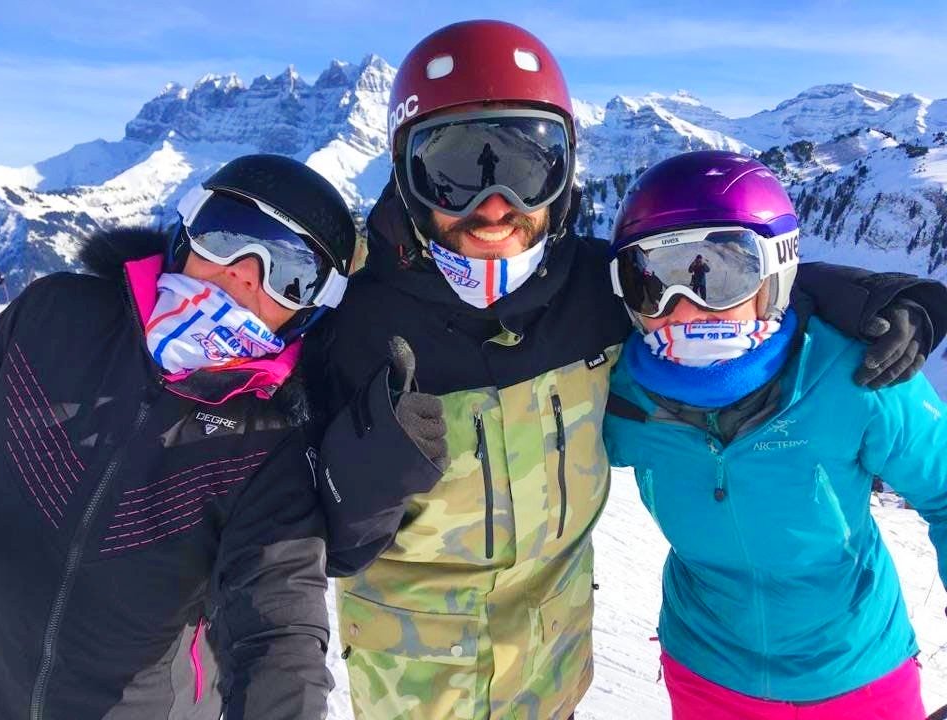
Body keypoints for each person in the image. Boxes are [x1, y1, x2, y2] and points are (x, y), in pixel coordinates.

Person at [324, 21, 947, 720]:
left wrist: (878, 298)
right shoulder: (349, 323)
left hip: (562, 673)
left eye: (527, 167)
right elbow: (256, 492)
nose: (493, 205)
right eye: (453, 171)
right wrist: (353, 494)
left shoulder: (595, 293)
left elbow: (717, 265)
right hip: (423, 690)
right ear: (405, 177)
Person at [0, 154, 447, 719]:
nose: (245, 272)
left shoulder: (270, 442)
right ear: (186, 235)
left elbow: (279, 633)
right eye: (229, 235)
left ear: (308, 314)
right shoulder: (55, 313)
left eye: (291, 273)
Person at [603, 151, 947, 720]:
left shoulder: (859, 378)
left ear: (775, 271)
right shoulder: (620, 396)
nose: (683, 306)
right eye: (650, 281)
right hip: (708, 669)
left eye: (719, 273)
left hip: (857, 667)